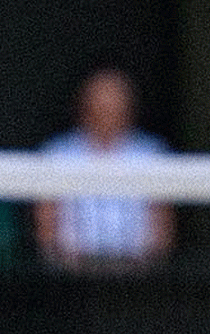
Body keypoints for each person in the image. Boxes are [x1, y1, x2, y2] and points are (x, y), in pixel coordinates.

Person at [34, 66, 173, 273]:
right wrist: (61, 264)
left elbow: (163, 226)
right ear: (84, 107)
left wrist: (147, 267)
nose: (107, 112)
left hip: (136, 272)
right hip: (72, 272)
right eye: (100, 105)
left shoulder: (150, 153)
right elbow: (45, 224)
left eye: (115, 105)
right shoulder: (58, 153)